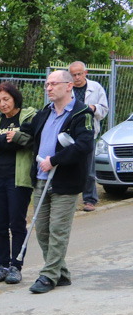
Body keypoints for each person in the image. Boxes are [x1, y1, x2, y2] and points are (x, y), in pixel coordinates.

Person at [19, 70, 94, 294]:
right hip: (41, 180)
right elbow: (28, 132)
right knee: (42, 229)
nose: (49, 88)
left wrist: (55, 160)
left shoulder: (81, 113)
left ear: (69, 86)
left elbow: (84, 145)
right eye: (47, 84)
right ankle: (61, 273)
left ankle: (48, 276)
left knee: (58, 230)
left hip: (65, 181)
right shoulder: (45, 113)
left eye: (53, 84)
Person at [0, 83, 37, 285]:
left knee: (16, 223)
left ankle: (15, 266)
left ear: (15, 98)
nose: (2, 104)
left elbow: (27, 141)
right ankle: (2, 266)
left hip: (18, 178)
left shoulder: (28, 117)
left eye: (6, 99)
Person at [68, 62, 108, 212]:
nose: (77, 77)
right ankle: (68, 198)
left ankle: (90, 199)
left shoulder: (96, 88)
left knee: (88, 168)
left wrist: (93, 108)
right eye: (73, 75)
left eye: (79, 74)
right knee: (67, 164)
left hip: (88, 133)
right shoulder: (67, 87)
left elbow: (104, 109)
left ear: (86, 73)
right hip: (68, 133)